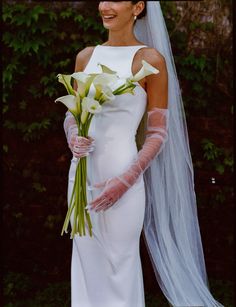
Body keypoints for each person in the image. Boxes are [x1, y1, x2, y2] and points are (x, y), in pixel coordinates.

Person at [63, 1, 224, 306]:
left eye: (116, 0)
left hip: (124, 177)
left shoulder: (150, 60)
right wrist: (73, 134)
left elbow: (158, 133)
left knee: (120, 265)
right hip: (82, 175)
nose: (105, 7)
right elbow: (72, 113)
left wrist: (126, 180)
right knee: (87, 265)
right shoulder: (86, 56)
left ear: (138, 7)